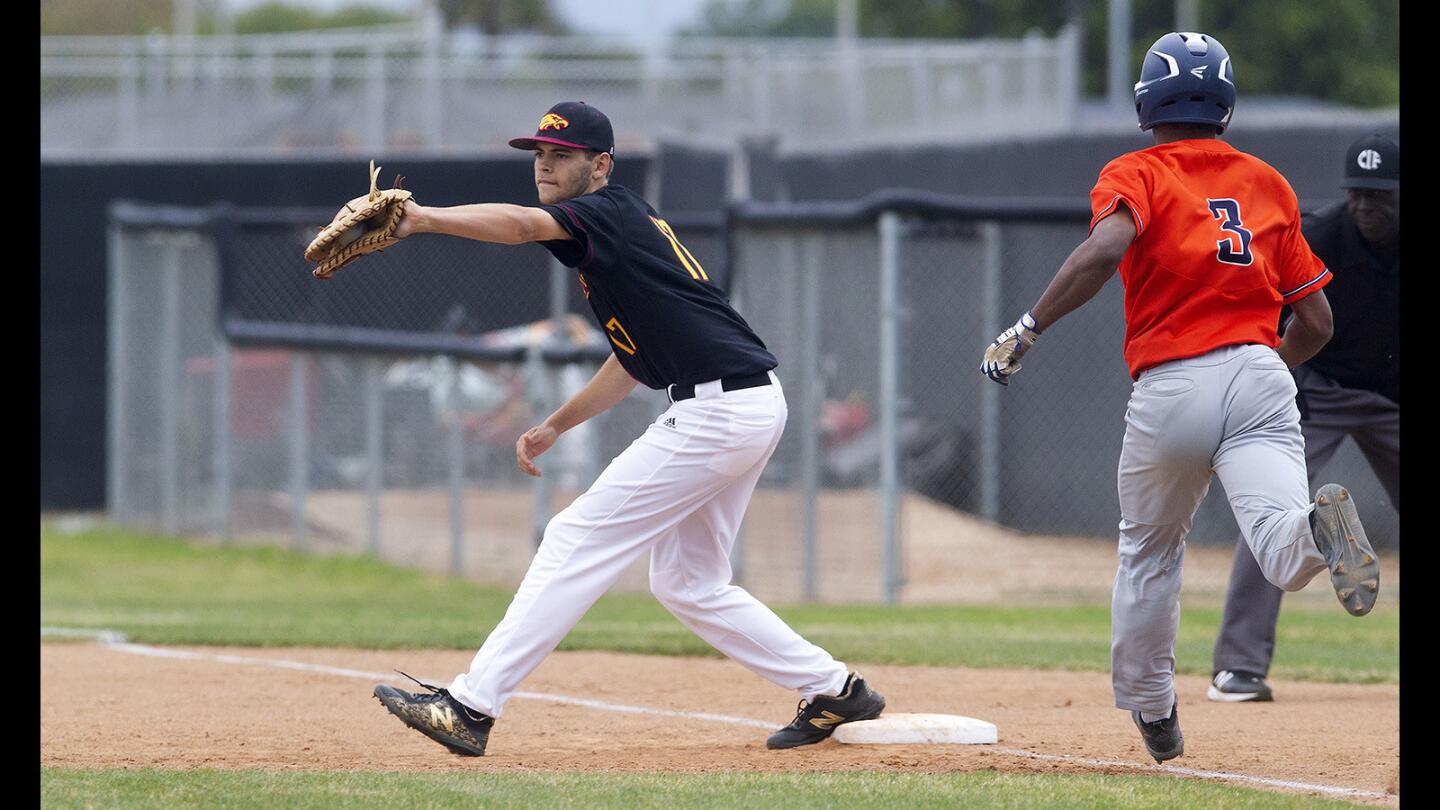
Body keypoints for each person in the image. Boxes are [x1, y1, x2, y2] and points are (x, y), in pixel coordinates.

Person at [368, 101, 885, 756]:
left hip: (720, 412)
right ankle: (837, 690)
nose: (545, 166)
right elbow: (631, 361)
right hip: (740, 403)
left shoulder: (602, 214)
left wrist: (423, 218)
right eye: (539, 155)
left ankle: (470, 706)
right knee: (688, 582)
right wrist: (555, 424)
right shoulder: (618, 230)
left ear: (600, 165)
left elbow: (526, 226)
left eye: (562, 155)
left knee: (575, 535)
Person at [977, 33, 1379, 764]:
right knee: (1281, 544)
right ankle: (1322, 537)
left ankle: (1154, 713)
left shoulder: (1136, 172)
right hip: (1261, 370)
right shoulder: (1268, 182)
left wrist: (1027, 327)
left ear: (1145, 103)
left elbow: (1102, 252)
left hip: (1171, 384)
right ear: (1225, 104)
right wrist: (1268, 373)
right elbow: (1317, 320)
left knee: (1150, 553)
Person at [1208, 134, 1399, 703]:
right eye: (1358, 193)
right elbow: (1266, 307)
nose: (1368, 204)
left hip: (1394, 397)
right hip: (1321, 389)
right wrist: (1271, 379)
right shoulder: (1321, 234)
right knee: (1272, 513)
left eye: (1382, 194)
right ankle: (1238, 667)